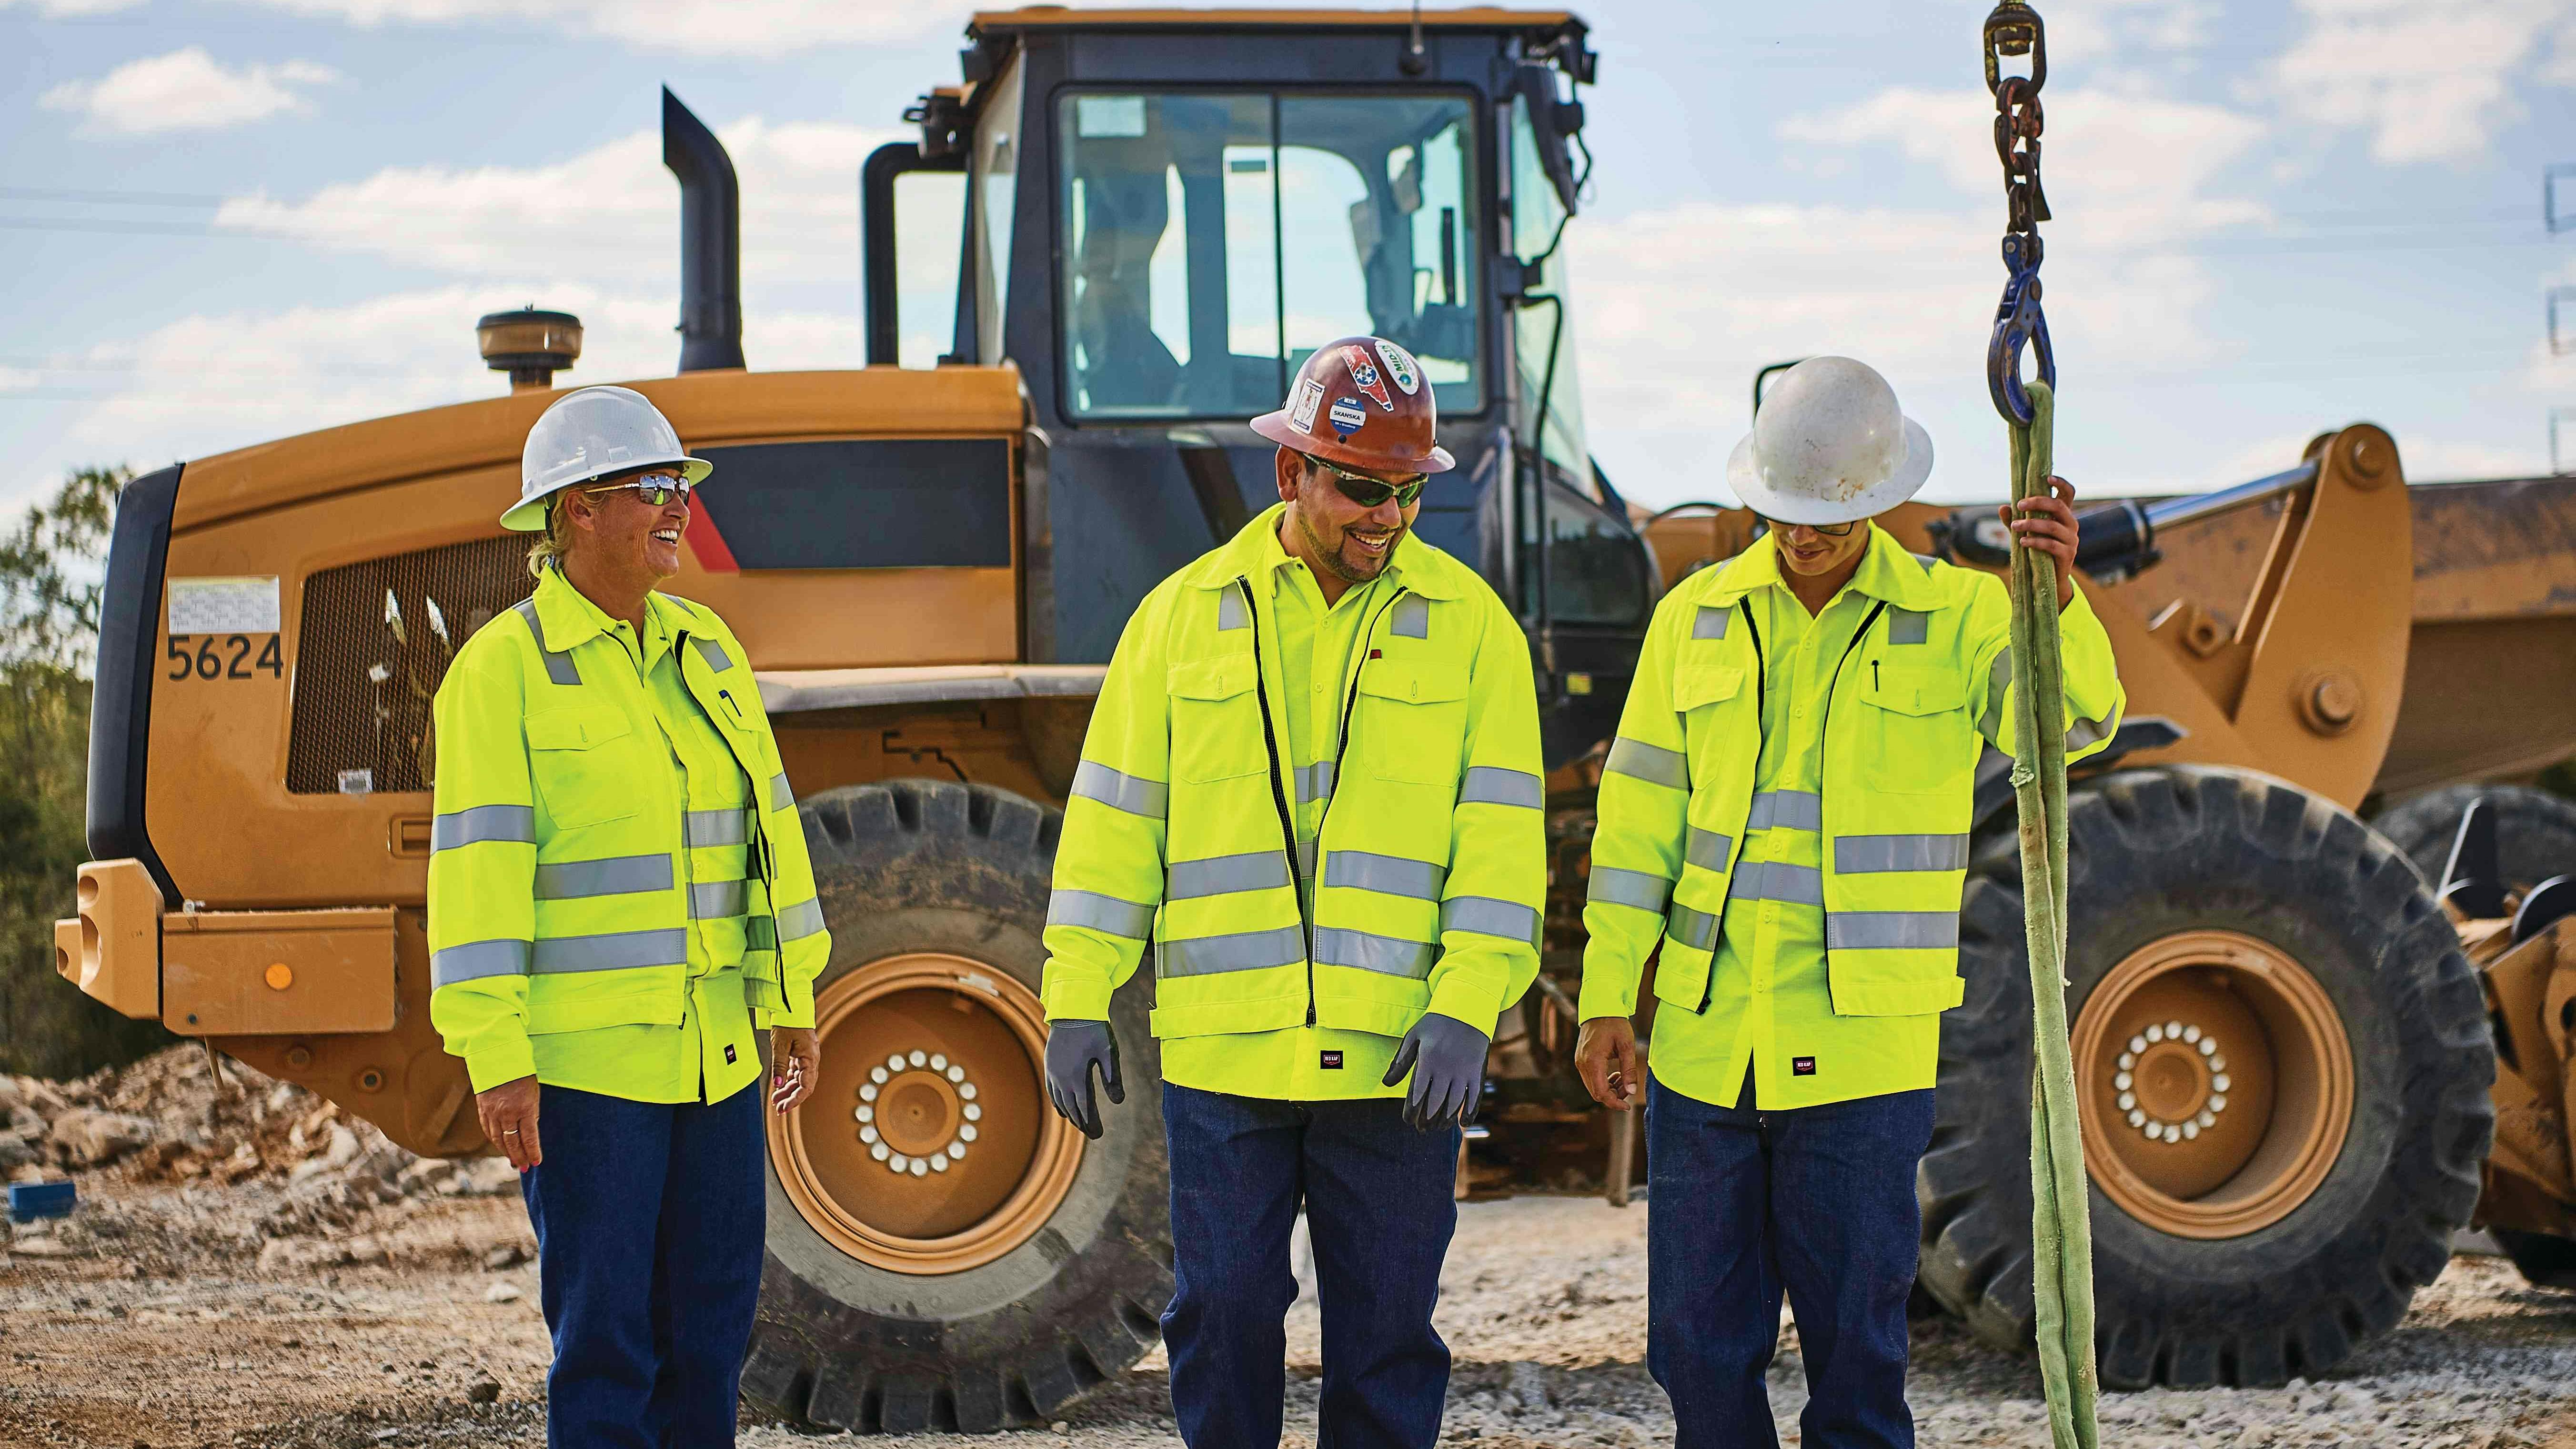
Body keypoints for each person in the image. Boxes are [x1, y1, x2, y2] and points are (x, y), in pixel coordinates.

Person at [1574, 356, 2125, 1448]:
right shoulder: (1694, 618)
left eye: (1824, 518)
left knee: (1857, 1359)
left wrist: (2058, 599)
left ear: (1879, 499)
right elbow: (1636, 829)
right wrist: (1605, 999)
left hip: (1861, 1054)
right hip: (1704, 1048)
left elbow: (2070, 729)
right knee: (1693, 1346)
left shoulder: (1964, 618)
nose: (1800, 538)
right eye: (1781, 515)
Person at [1038, 337, 1547, 1449]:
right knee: (1222, 1325)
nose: (1387, 517)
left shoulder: (1472, 632)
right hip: (1229, 1061)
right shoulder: (1178, 622)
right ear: (1291, 475)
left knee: (1385, 1342)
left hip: (1397, 1060)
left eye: (1408, 493)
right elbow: (1115, 826)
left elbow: (1500, 846)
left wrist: (1470, 1004)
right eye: (1362, 488)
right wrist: (1074, 994)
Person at [426, 384, 832, 1448]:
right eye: (648, 488)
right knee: (607, 1345)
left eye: (679, 487)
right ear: (573, 514)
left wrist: (789, 996)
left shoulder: (708, 650)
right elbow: (477, 882)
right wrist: (495, 1054)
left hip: (717, 1064)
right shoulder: (501, 674)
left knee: (710, 1338)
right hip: (585, 1080)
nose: (674, 508)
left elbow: (767, 840)